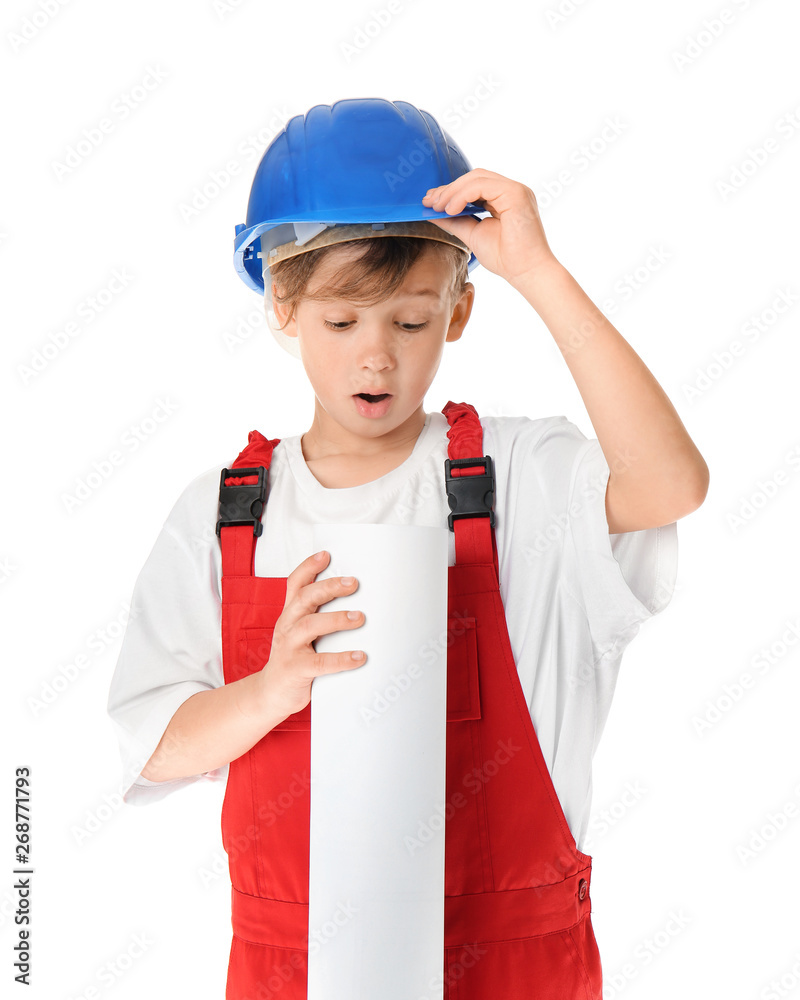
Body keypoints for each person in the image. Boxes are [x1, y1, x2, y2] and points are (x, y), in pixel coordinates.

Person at [106, 98, 708, 999]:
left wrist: (536, 270)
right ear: (282, 305)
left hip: (510, 966)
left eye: (412, 322)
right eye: (342, 325)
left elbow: (669, 485)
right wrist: (273, 689)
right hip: (293, 972)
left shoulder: (520, 478)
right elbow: (152, 747)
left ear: (460, 311)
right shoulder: (229, 516)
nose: (376, 360)